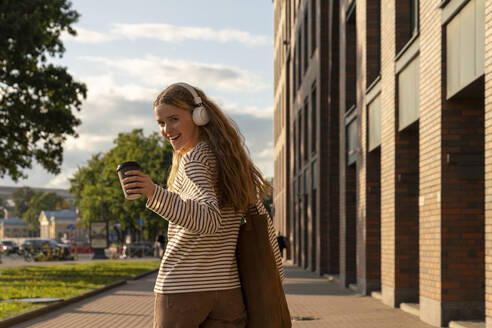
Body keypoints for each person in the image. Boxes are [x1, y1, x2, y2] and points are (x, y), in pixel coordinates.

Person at [122, 82, 284, 328]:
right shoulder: (232, 163)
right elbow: (262, 223)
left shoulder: (194, 160)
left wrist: (153, 193)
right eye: (161, 123)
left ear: (199, 116)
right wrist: (274, 277)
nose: (167, 130)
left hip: (183, 288)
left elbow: (209, 220)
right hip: (227, 291)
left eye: (174, 119)